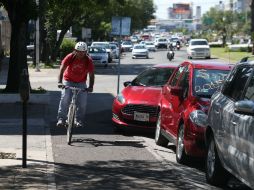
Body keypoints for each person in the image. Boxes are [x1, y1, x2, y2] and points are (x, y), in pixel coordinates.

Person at [56, 41, 95, 128]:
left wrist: (91, 86)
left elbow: (91, 74)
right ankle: (61, 119)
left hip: (81, 83)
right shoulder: (70, 57)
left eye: (83, 52)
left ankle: (78, 120)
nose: (81, 54)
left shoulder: (88, 60)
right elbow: (62, 69)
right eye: (78, 51)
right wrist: (60, 82)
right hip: (68, 80)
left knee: (82, 103)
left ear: (86, 52)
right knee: (65, 98)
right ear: (75, 50)